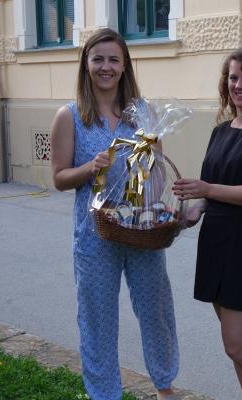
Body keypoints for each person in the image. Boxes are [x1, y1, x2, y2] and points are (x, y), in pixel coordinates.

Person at [50, 28, 180, 400]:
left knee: (155, 311)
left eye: (113, 59)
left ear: (124, 66)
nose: (105, 67)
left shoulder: (143, 114)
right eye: (98, 59)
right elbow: (59, 178)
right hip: (94, 235)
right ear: (86, 65)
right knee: (97, 320)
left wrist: (161, 208)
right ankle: (104, 394)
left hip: (141, 231)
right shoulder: (71, 116)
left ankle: (165, 387)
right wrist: (90, 167)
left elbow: (155, 172)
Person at [172, 47, 242, 400]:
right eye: (233, 77)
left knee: (240, 344)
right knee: (234, 345)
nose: (239, 84)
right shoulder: (221, 131)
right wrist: (194, 209)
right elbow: (211, 189)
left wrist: (207, 189)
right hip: (216, 239)